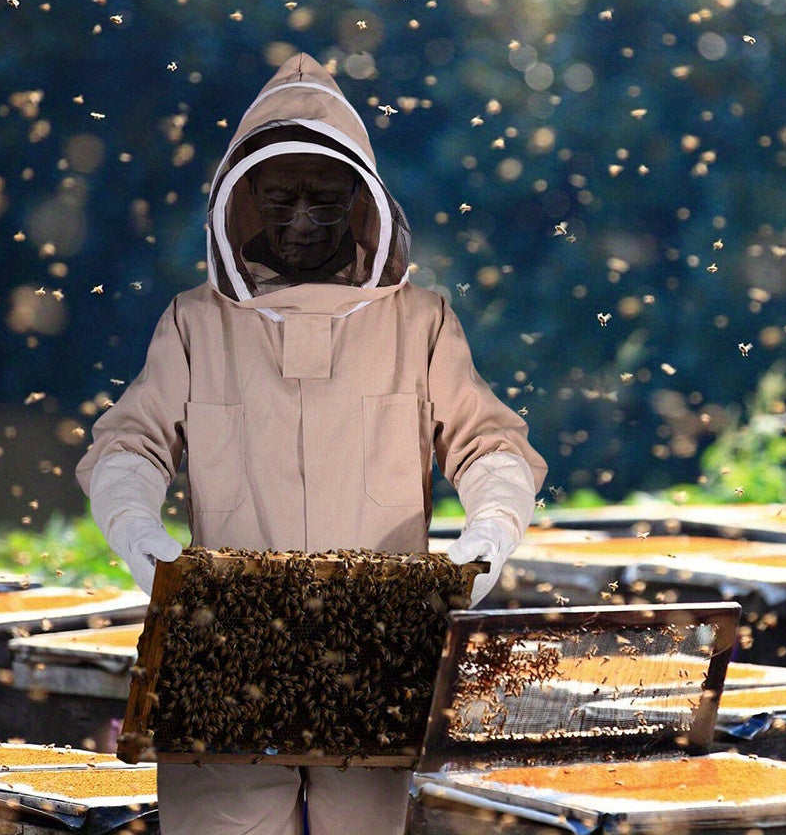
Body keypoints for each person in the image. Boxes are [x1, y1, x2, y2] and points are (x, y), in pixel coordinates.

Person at [76, 51, 547, 835]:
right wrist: (135, 529)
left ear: (361, 198)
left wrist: (489, 533)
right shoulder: (195, 323)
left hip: (379, 648)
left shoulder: (420, 321)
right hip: (225, 645)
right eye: (280, 197)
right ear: (245, 197)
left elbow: (489, 445)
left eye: (324, 199)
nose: (300, 221)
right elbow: (130, 445)